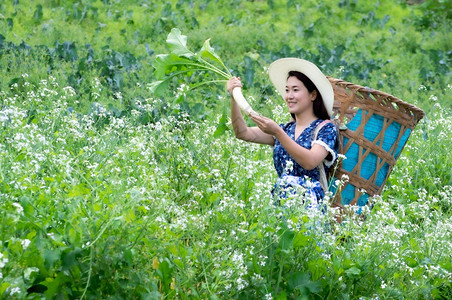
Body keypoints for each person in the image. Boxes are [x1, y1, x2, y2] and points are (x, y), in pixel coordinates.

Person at [227, 58, 338, 210]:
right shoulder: (286, 129)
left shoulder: (324, 129)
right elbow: (243, 133)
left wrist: (278, 133)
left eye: (295, 90)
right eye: (287, 90)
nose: (289, 96)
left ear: (313, 95)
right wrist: (234, 98)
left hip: (309, 208)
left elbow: (310, 161)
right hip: (281, 203)